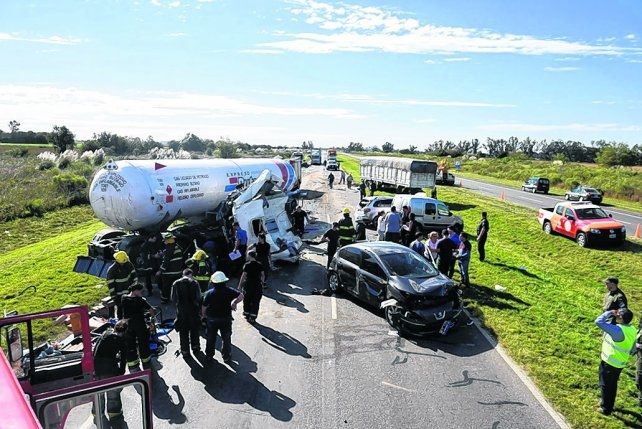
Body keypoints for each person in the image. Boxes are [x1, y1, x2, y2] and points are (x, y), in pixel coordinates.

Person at [595, 308, 636, 415]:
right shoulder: (632, 329)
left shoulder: (618, 330)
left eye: (617, 314)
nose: (616, 315)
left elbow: (598, 321)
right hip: (619, 363)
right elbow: (633, 349)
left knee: (605, 385)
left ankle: (605, 408)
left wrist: (609, 312)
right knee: (612, 386)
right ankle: (609, 404)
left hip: (609, 363)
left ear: (621, 318)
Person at [201, 271, 244, 364]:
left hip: (212, 319)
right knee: (226, 338)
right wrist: (235, 303)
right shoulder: (229, 291)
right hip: (226, 319)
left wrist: (203, 316)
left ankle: (209, 356)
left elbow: (204, 307)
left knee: (211, 338)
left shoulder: (209, 293)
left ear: (213, 282)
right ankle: (226, 357)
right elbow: (241, 296)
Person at [93, 320, 128, 428]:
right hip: (109, 369)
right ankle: (114, 413)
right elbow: (123, 359)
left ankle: (97, 412)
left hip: (96, 367)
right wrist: (120, 373)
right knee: (112, 392)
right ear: (125, 331)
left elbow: (95, 350)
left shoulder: (105, 333)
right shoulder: (121, 340)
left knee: (99, 392)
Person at [120, 283, 154, 371]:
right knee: (143, 343)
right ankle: (146, 361)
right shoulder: (140, 300)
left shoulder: (124, 298)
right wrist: (151, 316)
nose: (142, 293)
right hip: (140, 324)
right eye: (141, 291)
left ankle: (132, 363)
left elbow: (125, 313)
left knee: (130, 344)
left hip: (128, 325)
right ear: (136, 291)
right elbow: (151, 310)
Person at [171, 269, 202, 357]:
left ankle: (185, 351)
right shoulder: (195, 283)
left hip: (181, 312)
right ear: (190, 274)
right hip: (193, 311)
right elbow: (199, 297)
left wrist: (178, 308)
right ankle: (195, 347)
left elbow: (173, 299)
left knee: (183, 332)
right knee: (194, 330)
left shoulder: (176, 283)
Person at [106, 251, 137, 318]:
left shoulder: (128, 265)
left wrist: (135, 289)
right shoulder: (112, 270)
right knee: (121, 311)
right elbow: (111, 285)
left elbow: (134, 277)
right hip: (121, 295)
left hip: (127, 293)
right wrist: (114, 297)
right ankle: (121, 324)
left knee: (129, 310)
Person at [239, 251, 265, 323]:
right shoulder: (260, 265)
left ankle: (247, 313)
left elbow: (243, 276)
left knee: (247, 299)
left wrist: (240, 285)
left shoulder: (247, 265)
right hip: (257, 285)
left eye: (247, 255)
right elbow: (263, 275)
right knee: (256, 301)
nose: (247, 256)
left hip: (248, 285)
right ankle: (253, 317)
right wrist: (262, 283)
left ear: (250, 256)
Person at [158, 235, 183, 304]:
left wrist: (160, 270)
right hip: (178, 271)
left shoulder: (169, 248)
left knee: (166, 287)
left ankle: (164, 300)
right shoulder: (177, 246)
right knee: (177, 286)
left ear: (168, 241)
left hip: (169, 273)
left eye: (165, 241)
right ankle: (178, 299)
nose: (164, 242)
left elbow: (166, 261)